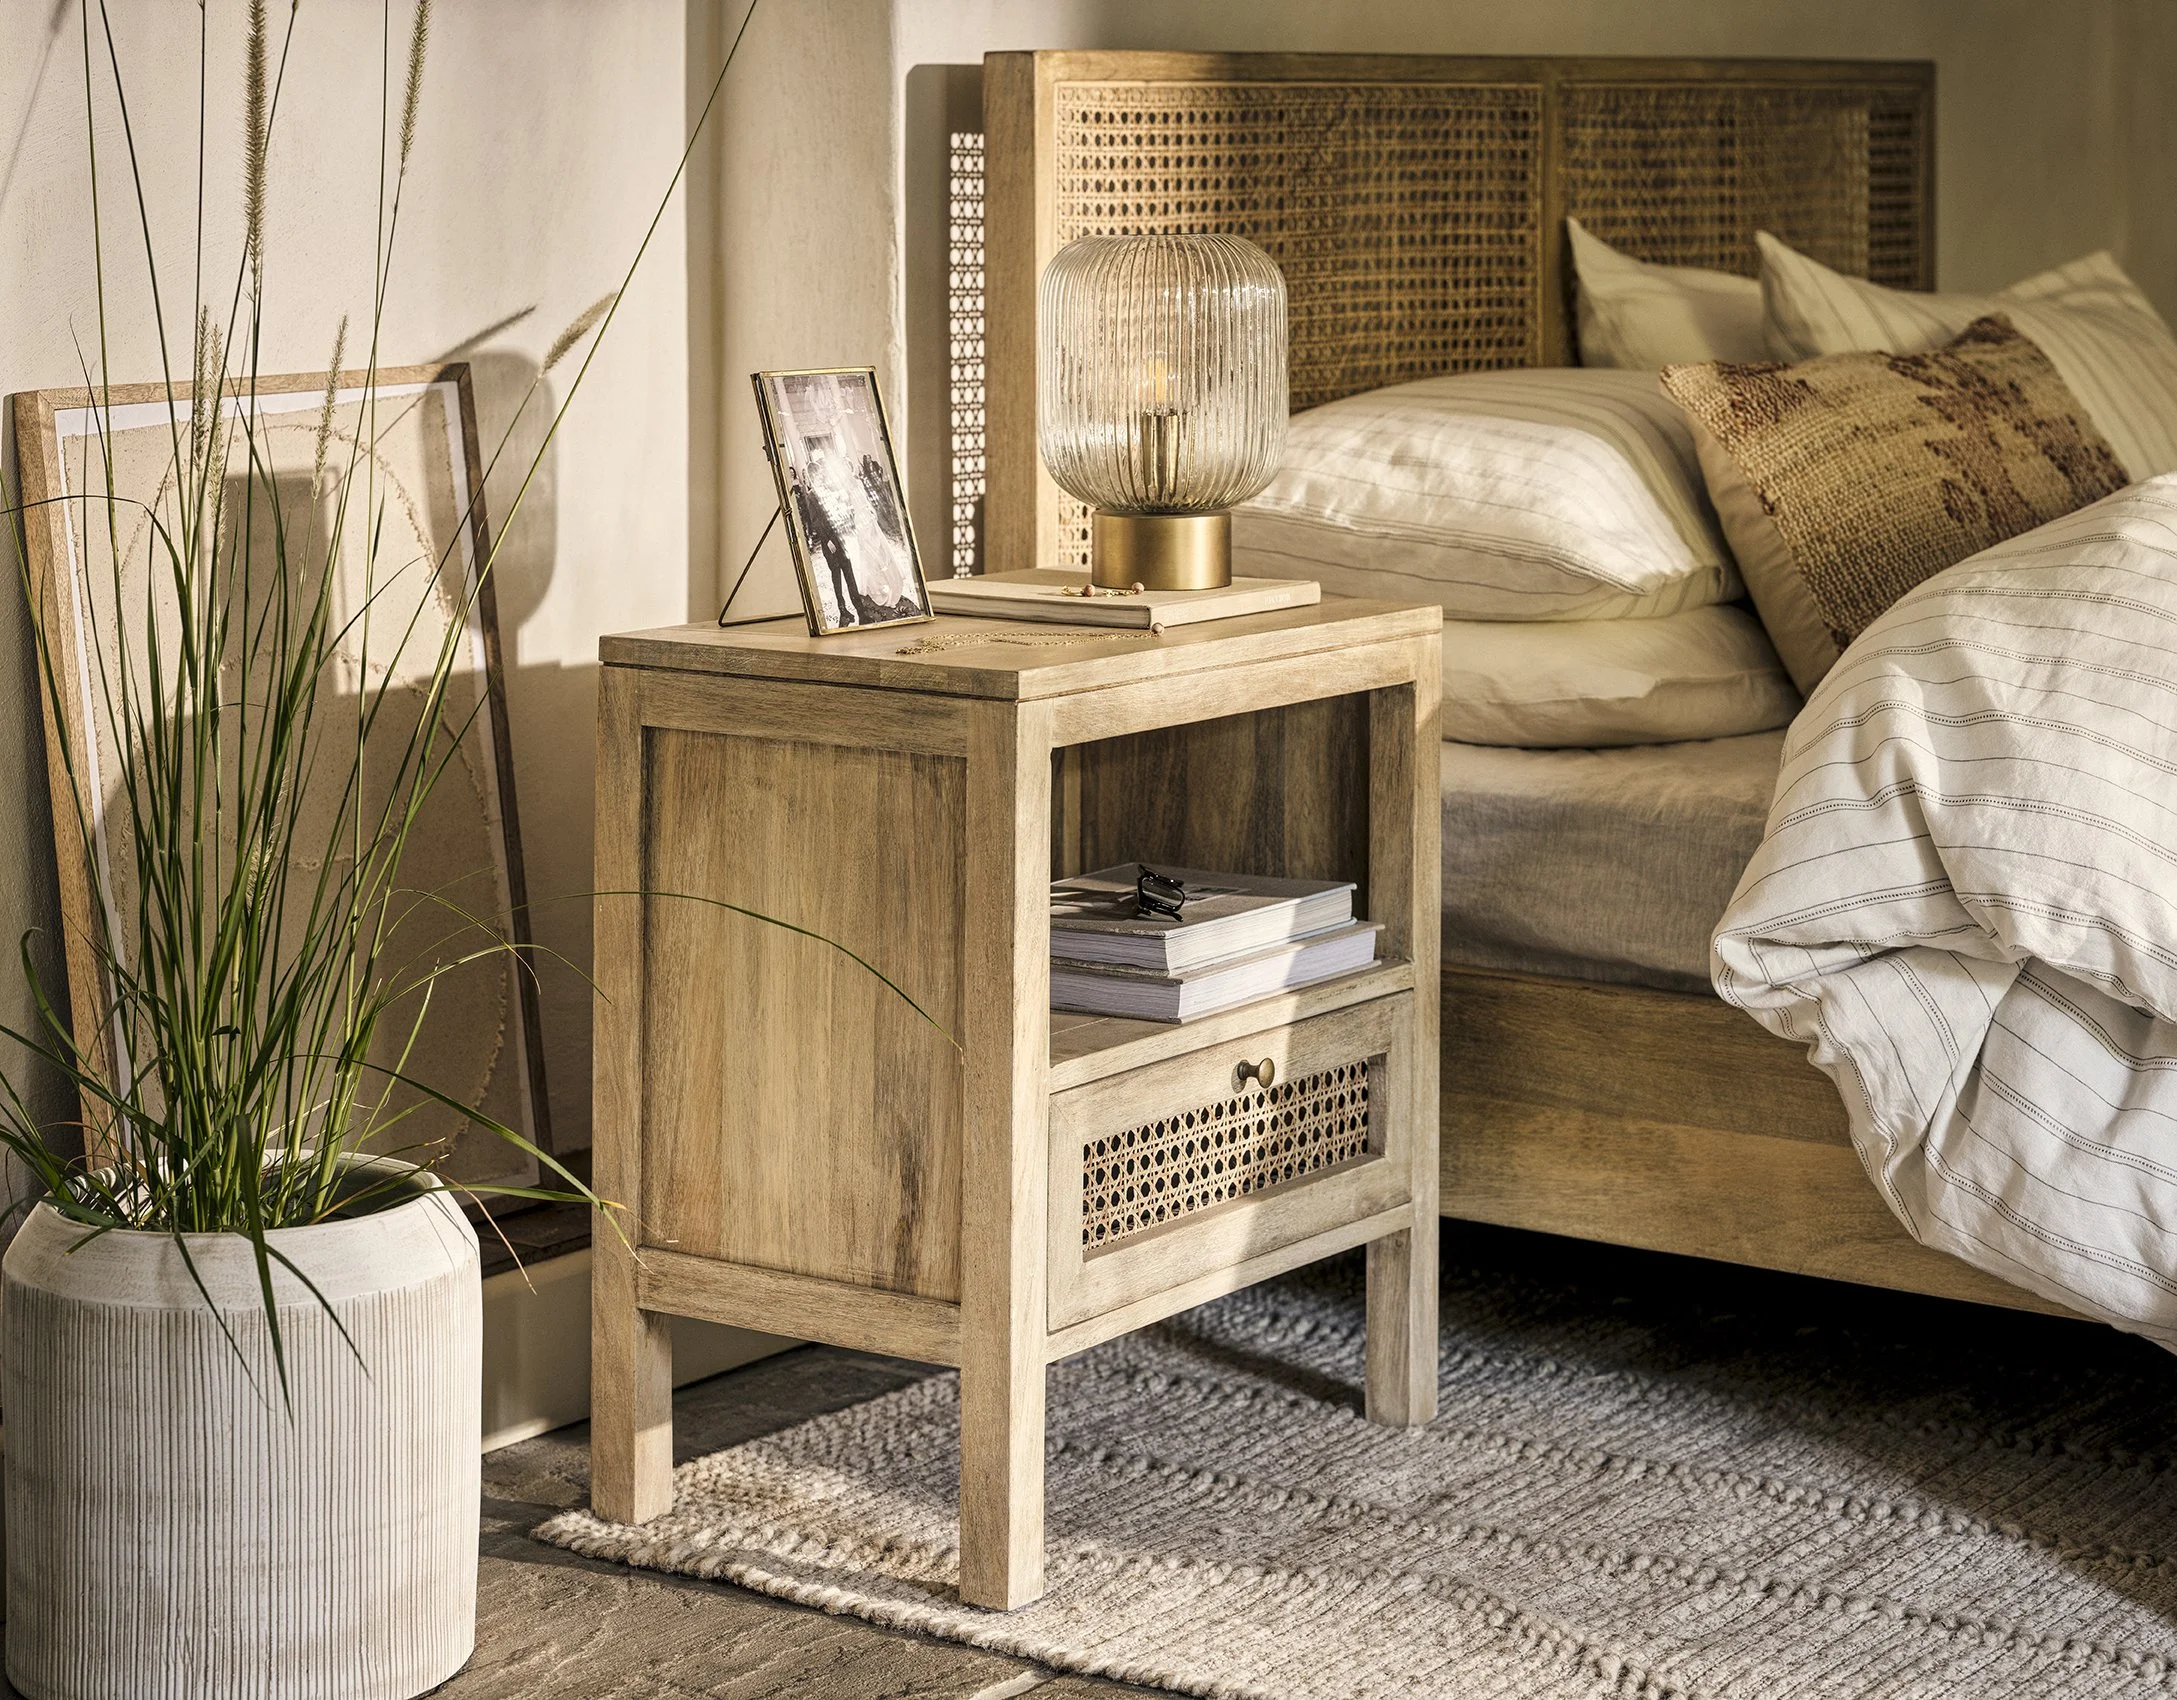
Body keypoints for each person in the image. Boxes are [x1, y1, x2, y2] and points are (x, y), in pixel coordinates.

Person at [790, 443, 862, 627]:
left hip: (840, 539)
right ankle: (842, 610)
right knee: (836, 576)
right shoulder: (811, 496)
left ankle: (860, 609)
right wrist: (828, 540)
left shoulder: (830, 491)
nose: (819, 477)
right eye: (816, 475)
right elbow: (815, 522)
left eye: (820, 474)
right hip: (829, 542)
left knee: (849, 573)